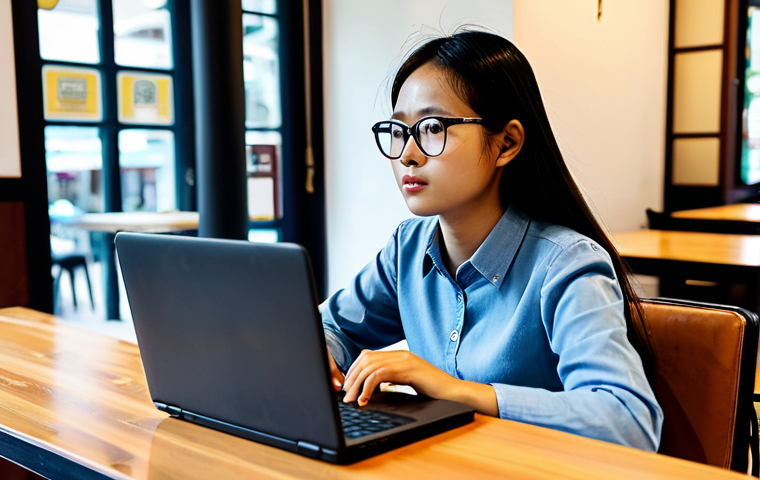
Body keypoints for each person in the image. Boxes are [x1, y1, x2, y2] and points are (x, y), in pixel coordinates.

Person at [320, 30, 663, 452]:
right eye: (398, 130)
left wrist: (462, 393)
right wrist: (323, 352)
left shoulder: (567, 264)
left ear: (507, 143)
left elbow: (629, 422)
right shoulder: (406, 250)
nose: (407, 153)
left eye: (432, 128)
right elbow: (330, 326)